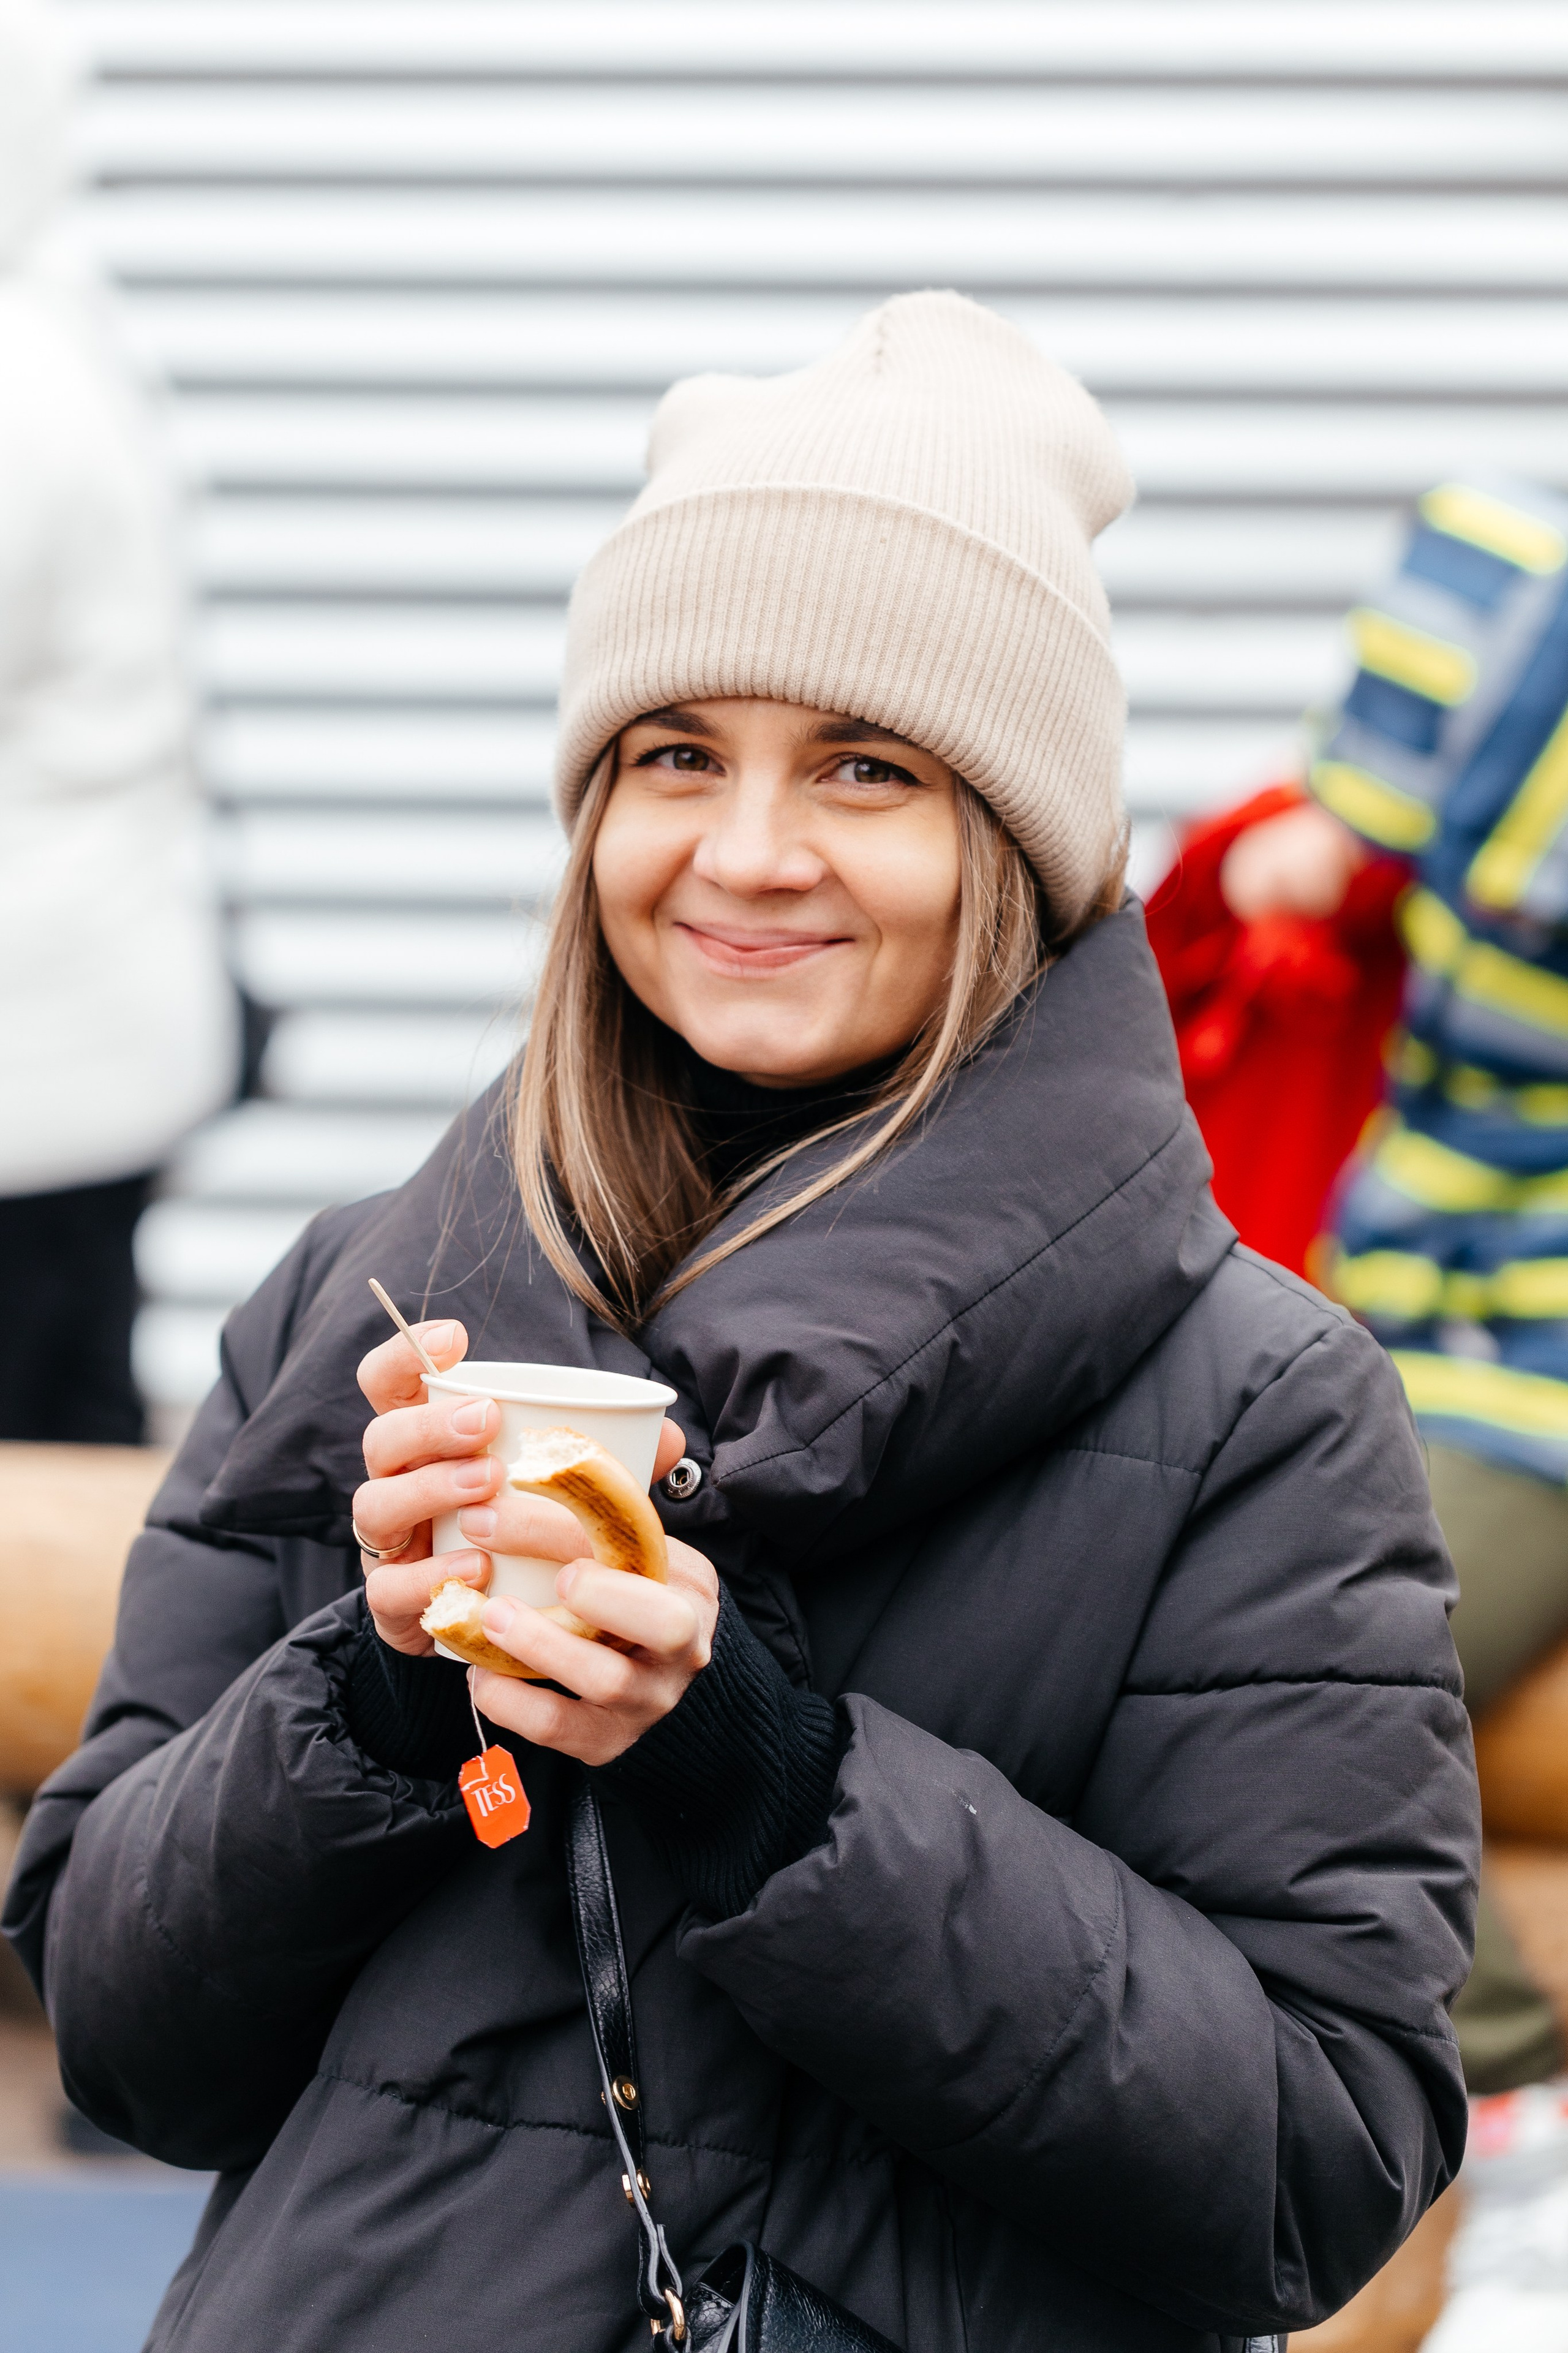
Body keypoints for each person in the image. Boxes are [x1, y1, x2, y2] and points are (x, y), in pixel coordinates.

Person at [3, 294, 1476, 2353]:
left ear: (1017, 840)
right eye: (675, 755)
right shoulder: (364, 1300)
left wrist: (773, 1784)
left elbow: (1312, 2168)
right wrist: (378, 1698)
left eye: (865, 767)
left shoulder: (1260, 1411)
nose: (749, 852)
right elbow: (128, 2053)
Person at [1174, 478, 1568, 2351]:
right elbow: (1315, 862)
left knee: (1339, 1650)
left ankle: (1518, 2100)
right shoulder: (1502, 553)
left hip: (1527, 1372)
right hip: (1403, 1315)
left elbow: (1324, 862)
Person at [0, 0, 236, 1444]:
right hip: (77, 1039)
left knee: (32, 1492)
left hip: (37, 1063)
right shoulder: (56, 322)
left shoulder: (17, 382)